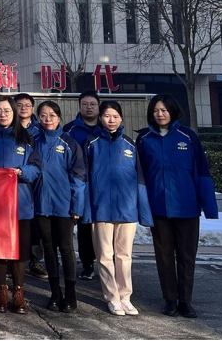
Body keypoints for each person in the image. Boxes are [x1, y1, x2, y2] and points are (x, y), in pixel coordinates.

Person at [136, 94, 219, 318]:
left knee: (186, 256)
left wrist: (209, 206)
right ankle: (170, 300)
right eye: (155, 110)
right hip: (159, 208)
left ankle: (185, 300)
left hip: (186, 207)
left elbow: (202, 171)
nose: (160, 114)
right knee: (164, 257)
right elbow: (139, 175)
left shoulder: (188, 137)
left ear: (173, 111)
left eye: (164, 110)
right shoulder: (144, 139)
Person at [84, 100, 153, 316]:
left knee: (124, 255)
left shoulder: (130, 145)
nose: (111, 120)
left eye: (115, 116)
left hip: (127, 209)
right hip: (101, 208)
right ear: (100, 118)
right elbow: (85, 179)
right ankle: (112, 297)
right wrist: (86, 209)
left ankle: (125, 296)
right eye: (107, 116)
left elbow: (140, 179)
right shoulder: (92, 143)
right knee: (105, 256)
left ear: (121, 118)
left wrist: (143, 211)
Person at [0, 96, 42, 315]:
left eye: (7, 111)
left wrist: (21, 172)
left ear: (14, 113)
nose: (3, 115)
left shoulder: (27, 138)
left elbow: (36, 168)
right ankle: (1, 291)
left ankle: (18, 291)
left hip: (21, 203)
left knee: (20, 250)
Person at [32, 101, 86, 313]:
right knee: (48, 249)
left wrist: (77, 206)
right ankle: (55, 293)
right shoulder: (34, 141)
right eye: (43, 115)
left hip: (64, 205)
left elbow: (79, 177)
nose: (48, 119)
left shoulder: (69, 143)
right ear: (38, 118)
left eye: (52, 115)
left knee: (66, 248)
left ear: (59, 118)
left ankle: (71, 294)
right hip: (41, 204)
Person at [64, 89, 101, 280]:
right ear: (79, 106)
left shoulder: (106, 126)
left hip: (102, 185)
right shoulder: (70, 130)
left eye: (93, 104)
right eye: (85, 104)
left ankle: (107, 262)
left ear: (98, 106)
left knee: (104, 225)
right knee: (84, 226)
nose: (89, 107)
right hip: (80, 183)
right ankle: (87, 264)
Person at [15, 93, 47, 280]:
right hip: (18, 185)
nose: (23, 108)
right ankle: (12, 260)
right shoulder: (9, 127)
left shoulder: (39, 129)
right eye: (19, 105)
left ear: (33, 108)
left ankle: (35, 261)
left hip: (37, 180)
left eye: (27, 105)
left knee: (35, 224)